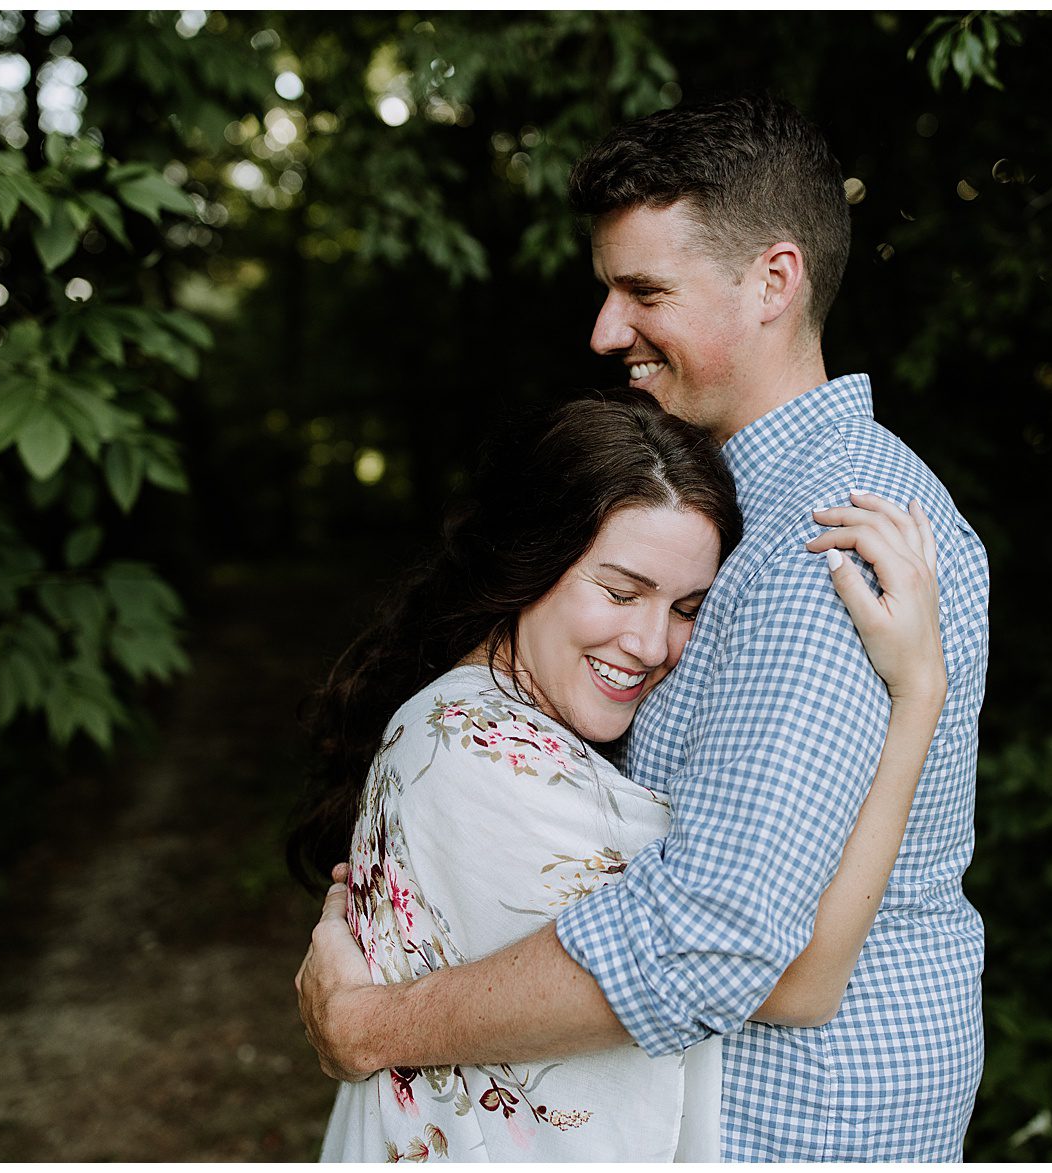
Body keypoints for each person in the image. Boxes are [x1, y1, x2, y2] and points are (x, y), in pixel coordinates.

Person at [298, 92, 989, 1161]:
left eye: (643, 290)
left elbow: (721, 937)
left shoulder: (829, 538)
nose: (604, 330)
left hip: (788, 1126)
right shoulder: (728, 517)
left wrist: (374, 1024)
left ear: (773, 280)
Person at [291, 389, 947, 1160]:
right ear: (530, 562)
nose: (648, 642)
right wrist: (918, 693)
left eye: (687, 607)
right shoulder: (484, 754)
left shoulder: (481, 721)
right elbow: (795, 977)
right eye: (620, 591)